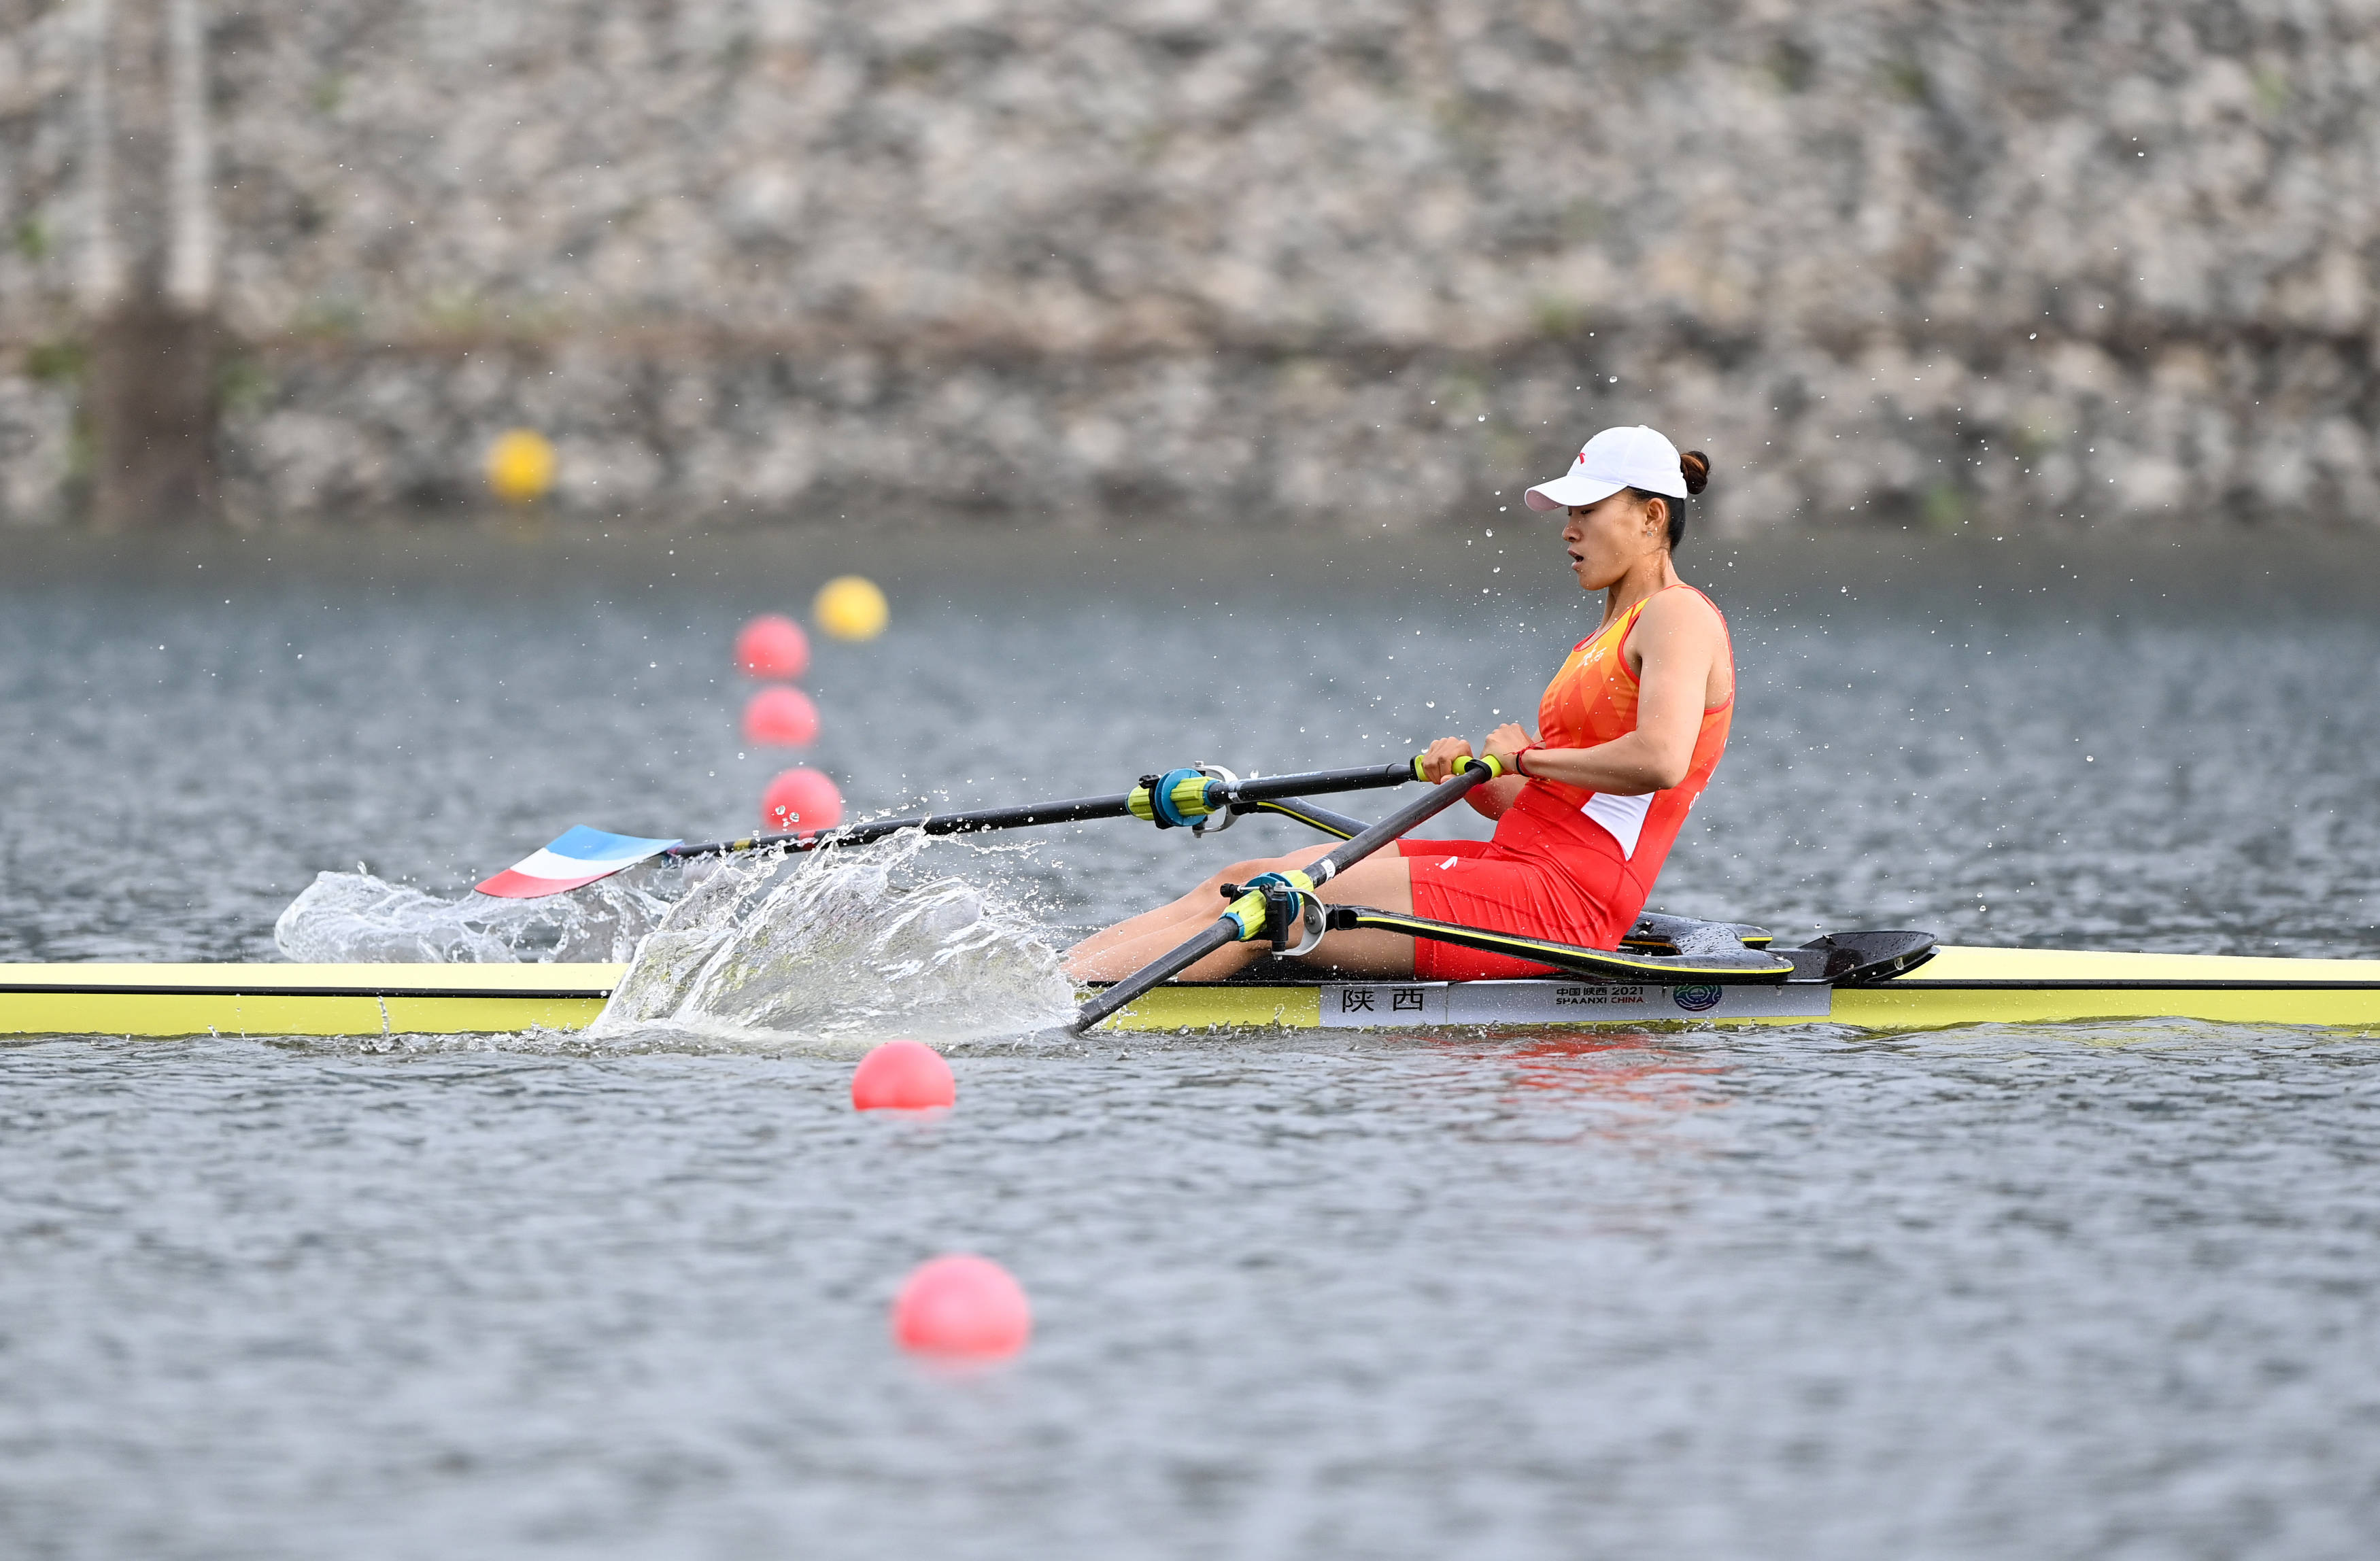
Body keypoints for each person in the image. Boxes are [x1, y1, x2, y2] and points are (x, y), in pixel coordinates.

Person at [1064, 424, 1733, 984]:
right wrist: (1481, 780)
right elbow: (1567, 806)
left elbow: (1660, 761)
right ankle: (1044, 979)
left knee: (1276, 907)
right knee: (1240, 879)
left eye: (1587, 511)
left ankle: (1051, 1010)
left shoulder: (1677, 616)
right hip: (1520, 868)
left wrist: (1524, 757)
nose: (1568, 530)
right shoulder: (1601, 638)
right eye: (1567, 513)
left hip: (1567, 903)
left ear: (1651, 516)